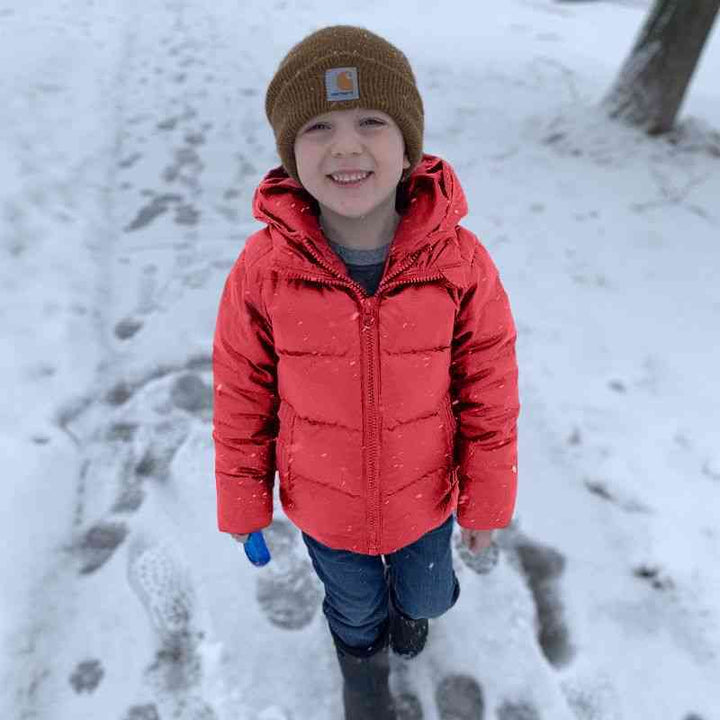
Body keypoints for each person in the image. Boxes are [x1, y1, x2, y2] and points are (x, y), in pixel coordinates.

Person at [212, 25, 520, 720]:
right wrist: (242, 499)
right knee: (352, 608)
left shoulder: (459, 263)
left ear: (408, 145)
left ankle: (414, 621)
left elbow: (490, 389)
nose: (346, 147)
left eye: (371, 122)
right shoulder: (265, 271)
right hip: (326, 507)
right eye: (317, 127)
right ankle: (360, 670)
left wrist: (486, 501)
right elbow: (241, 395)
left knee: (429, 594)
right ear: (290, 156)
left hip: (425, 500)